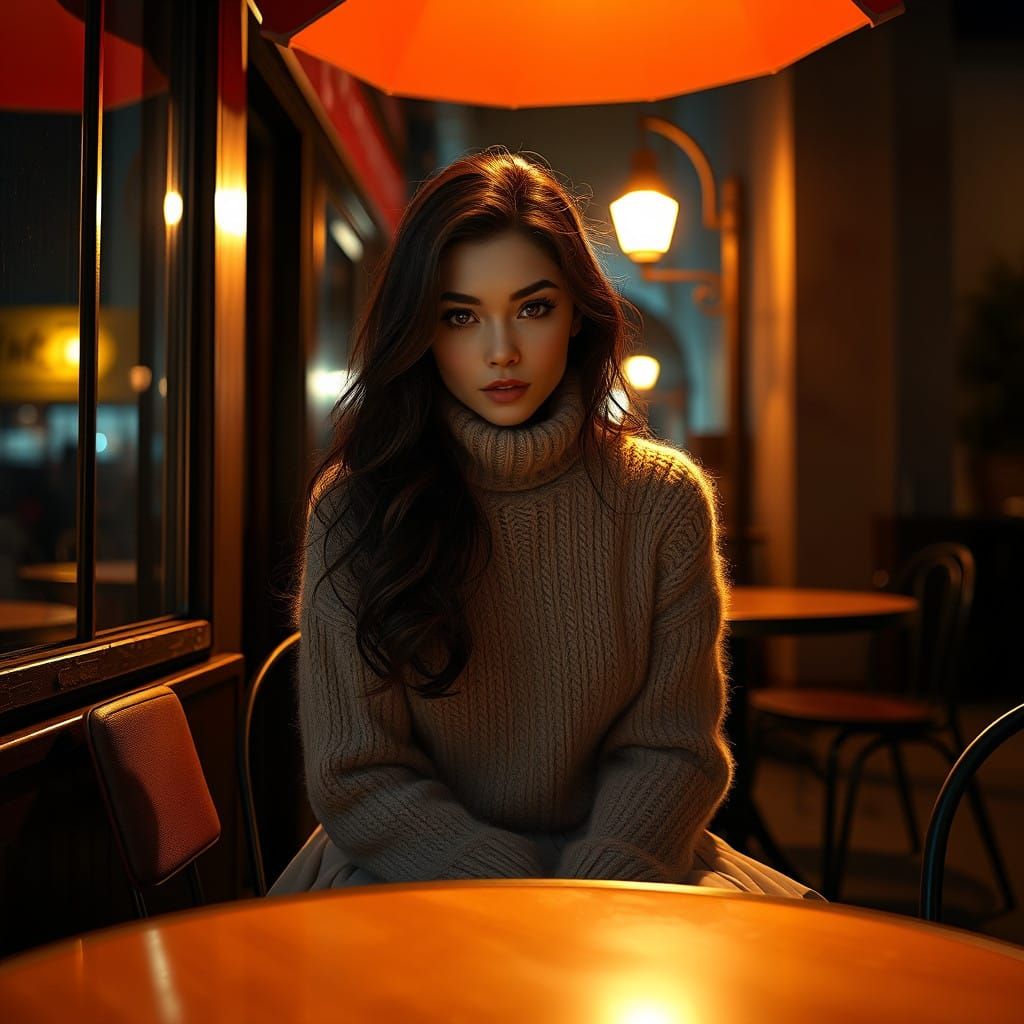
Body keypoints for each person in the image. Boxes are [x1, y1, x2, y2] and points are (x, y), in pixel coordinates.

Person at [268, 147, 824, 900]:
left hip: (630, 867)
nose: (502, 351)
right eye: (459, 316)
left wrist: (599, 880)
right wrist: (503, 882)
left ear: (577, 316)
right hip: (406, 869)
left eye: (533, 307)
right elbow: (355, 772)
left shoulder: (663, 501)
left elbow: (674, 748)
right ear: (421, 332)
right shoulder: (355, 506)